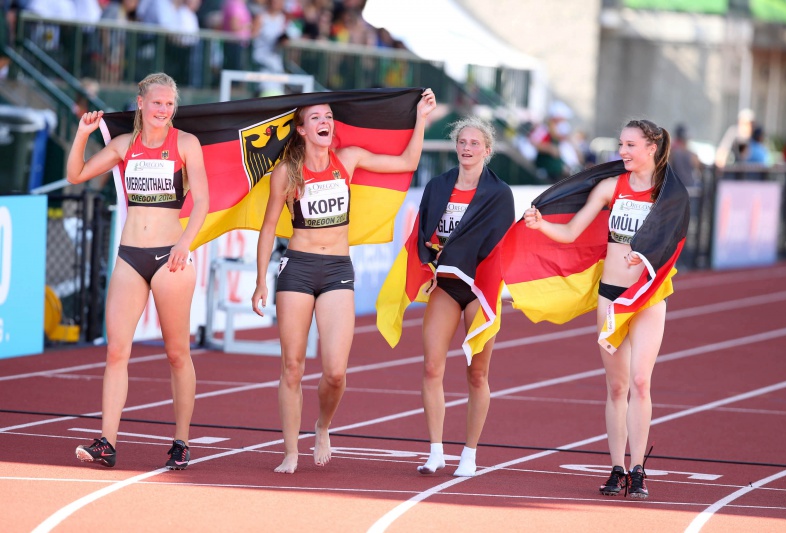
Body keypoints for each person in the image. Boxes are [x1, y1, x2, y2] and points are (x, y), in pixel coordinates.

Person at [251, 88, 437, 474]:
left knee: (335, 372)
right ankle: (290, 451)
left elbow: (407, 161)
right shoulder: (287, 172)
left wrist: (420, 118)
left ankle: (322, 426)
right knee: (292, 366)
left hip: (337, 269)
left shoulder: (347, 159)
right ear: (301, 130)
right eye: (316, 118)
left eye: (329, 117)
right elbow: (269, 227)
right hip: (297, 268)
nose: (325, 123)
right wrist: (260, 281)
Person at [524, 119, 676, 499]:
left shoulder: (667, 193)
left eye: (630, 145)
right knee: (617, 385)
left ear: (651, 148)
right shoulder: (611, 187)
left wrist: (647, 258)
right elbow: (571, 232)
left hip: (647, 296)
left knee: (640, 382)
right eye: (621, 144)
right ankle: (616, 468)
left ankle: (638, 470)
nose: (622, 151)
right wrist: (541, 226)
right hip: (610, 295)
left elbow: (674, 243)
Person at [67, 73, 209, 469]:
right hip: (130, 255)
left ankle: (181, 441)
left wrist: (185, 243)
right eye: (157, 102)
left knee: (177, 353)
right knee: (116, 351)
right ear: (141, 103)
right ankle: (107, 443)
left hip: (170, 257)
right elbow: (76, 175)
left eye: (169, 104)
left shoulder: (185, 143)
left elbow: (202, 201)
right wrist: (82, 134)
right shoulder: (124, 145)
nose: (163, 109)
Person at [412, 117, 514, 477]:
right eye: (462, 142)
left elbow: (502, 245)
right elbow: (422, 232)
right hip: (446, 285)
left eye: (474, 143)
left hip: (480, 290)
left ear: (487, 150)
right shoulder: (438, 186)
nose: (467, 148)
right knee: (431, 367)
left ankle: (469, 454)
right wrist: (429, 258)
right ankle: (436, 451)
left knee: (477, 374)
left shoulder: (499, 193)